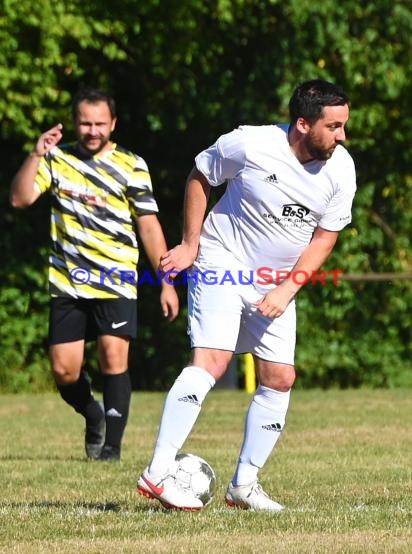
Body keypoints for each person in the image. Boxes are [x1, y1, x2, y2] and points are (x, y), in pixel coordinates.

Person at [137, 79, 357, 510]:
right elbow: (201, 176)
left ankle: (243, 486)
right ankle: (157, 472)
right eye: (333, 126)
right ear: (302, 123)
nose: (342, 135)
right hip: (222, 260)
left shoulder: (341, 169)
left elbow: (324, 239)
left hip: (276, 281)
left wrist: (287, 288)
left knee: (280, 377)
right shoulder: (251, 144)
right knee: (212, 361)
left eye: (344, 125)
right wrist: (189, 244)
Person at [10, 87, 179, 461]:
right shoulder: (56, 159)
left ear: (113, 124)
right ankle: (92, 413)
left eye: (100, 123)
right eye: (85, 123)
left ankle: (111, 449)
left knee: (113, 356)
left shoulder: (132, 164)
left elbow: (149, 226)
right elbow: (20, 198)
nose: (92, 130)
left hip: (116, 278)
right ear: (75, 122)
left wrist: (166, 281)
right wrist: (37, 154)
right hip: (67, 281)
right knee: (63, 370)